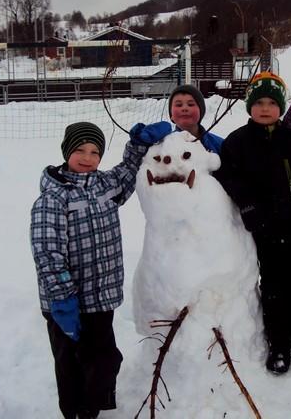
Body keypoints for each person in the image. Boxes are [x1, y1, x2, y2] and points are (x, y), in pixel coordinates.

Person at [30, 120, 171, 419]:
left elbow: (127, 171)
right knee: (70, 365)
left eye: (95, 152)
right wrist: (62, 298)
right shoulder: (53, 197)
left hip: (100, 299)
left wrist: (138, 144)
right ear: (67, 151)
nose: (87, 157)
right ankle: (75, 411)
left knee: (104, 360)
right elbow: (47, 251)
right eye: (80, 150)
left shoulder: (104, 185)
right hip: (65, 304)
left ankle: (91, 408)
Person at [216, 71, 291, 376]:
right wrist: (248, 203)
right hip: (265, 234)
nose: (265, 108)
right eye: (259, 102)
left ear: (281, 106)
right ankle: (280, 346)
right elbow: (226, 176)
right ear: (249, 106)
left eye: (272, 102)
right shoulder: (237, 143)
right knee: (273, 291)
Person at [168, 84, 224, 154]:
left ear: (201, 111)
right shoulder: (163, 146)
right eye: (179, 105)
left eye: (191, 104)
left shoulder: (220, 145)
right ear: (171, 115)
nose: (184, 108)